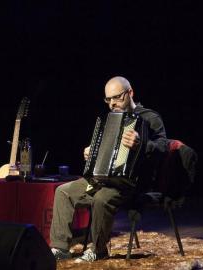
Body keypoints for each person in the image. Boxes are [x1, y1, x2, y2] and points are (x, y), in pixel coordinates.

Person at [50, 76, 168, 262]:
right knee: (63, 192)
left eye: (117, 97)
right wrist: (92, 153)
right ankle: (60, 248)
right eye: (108, 99)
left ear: (130, 93)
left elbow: (164, 146)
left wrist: (142, 144)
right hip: (102, 180)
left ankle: (98, 249)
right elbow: (105, 149)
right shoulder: (109, 119)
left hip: (132, 184)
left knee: (102, 198)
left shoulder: (149, 117)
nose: (112, 103)